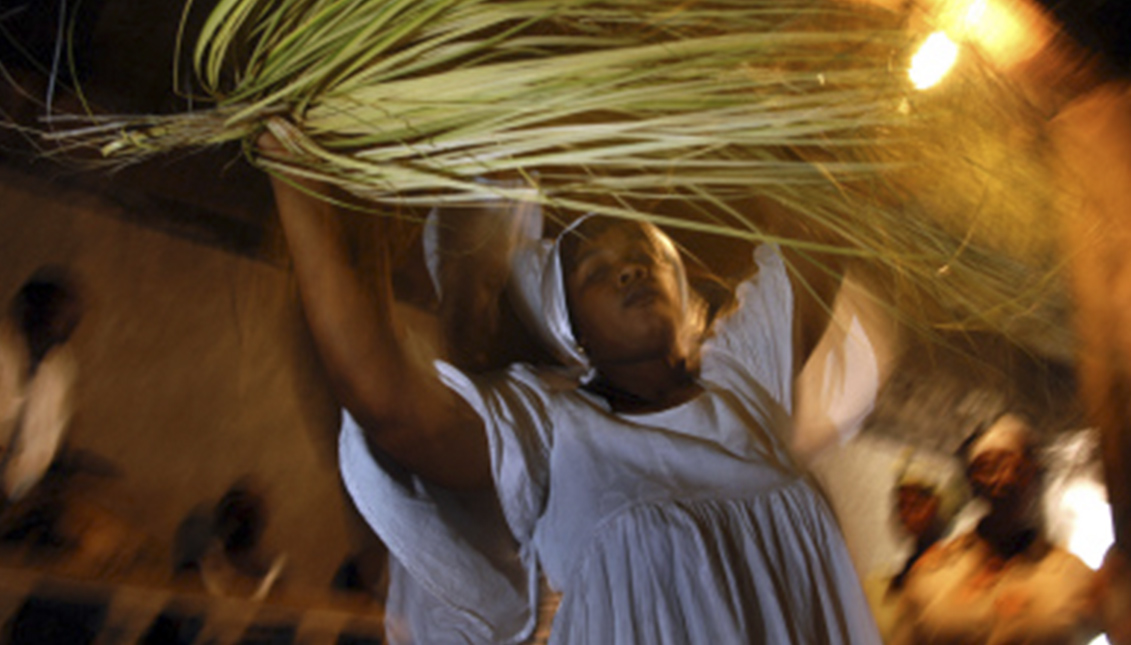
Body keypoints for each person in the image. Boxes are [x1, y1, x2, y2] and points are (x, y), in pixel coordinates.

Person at [259, 122, 900, 644]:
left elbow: (818, 232)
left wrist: (756, 104)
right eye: (597, 270)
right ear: (572, 333)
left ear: (685, 291)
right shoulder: (552, 427)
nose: (628, 269)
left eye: (647, 255)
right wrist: (300, 184)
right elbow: (394, 408)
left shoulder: (747, 379)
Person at [892, 413, 1102, 644]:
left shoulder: (1074, 580)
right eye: (990, 468)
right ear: (972, 481)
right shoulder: (932, 577)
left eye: (1017, 469)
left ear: (1036, 476)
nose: (1004, 480)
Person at [864, 451, 966, 641]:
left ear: (940, 507)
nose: (907, 513)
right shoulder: (877, 587)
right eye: (902, 504)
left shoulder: (958, 584)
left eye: (918, 503)